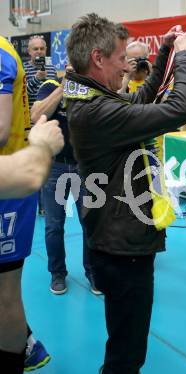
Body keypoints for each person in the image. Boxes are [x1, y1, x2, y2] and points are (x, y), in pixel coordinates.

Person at [64, 13, 186, 373]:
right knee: (127, 354)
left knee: (125, 342)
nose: (127, 67)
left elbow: (140, 100)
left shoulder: (92, 96)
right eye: (122, 58)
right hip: (121, 245)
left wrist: (166, 55)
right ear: (98, 58)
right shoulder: (95, 110)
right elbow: (180, 109)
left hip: (114, 238)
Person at [0, 35, 63, 374]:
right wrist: (40, 146)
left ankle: (26, 348)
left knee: (5, 293)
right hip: (15, 177)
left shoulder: (2, 54)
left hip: (11, 190)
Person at [31, 66, 100, 295]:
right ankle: (57, 273)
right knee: (53, 224)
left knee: (91, 222)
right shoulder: (49, 86)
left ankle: (93, 272)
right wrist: (64, 86)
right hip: (55, 165)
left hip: (84, 165)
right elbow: (36, 115)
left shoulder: (91, 89)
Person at [23, 35, 57, 216]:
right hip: (30, 125)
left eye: (41, 49)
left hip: (49, 124)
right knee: (33, 165)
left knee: (48, 166)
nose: (38, 52)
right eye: (35, 49)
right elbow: (23, 95)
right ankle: (32, 203)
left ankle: (45, 205)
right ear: (29, 52)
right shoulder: (23, 69)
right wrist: (36, 79)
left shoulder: (51, 69)